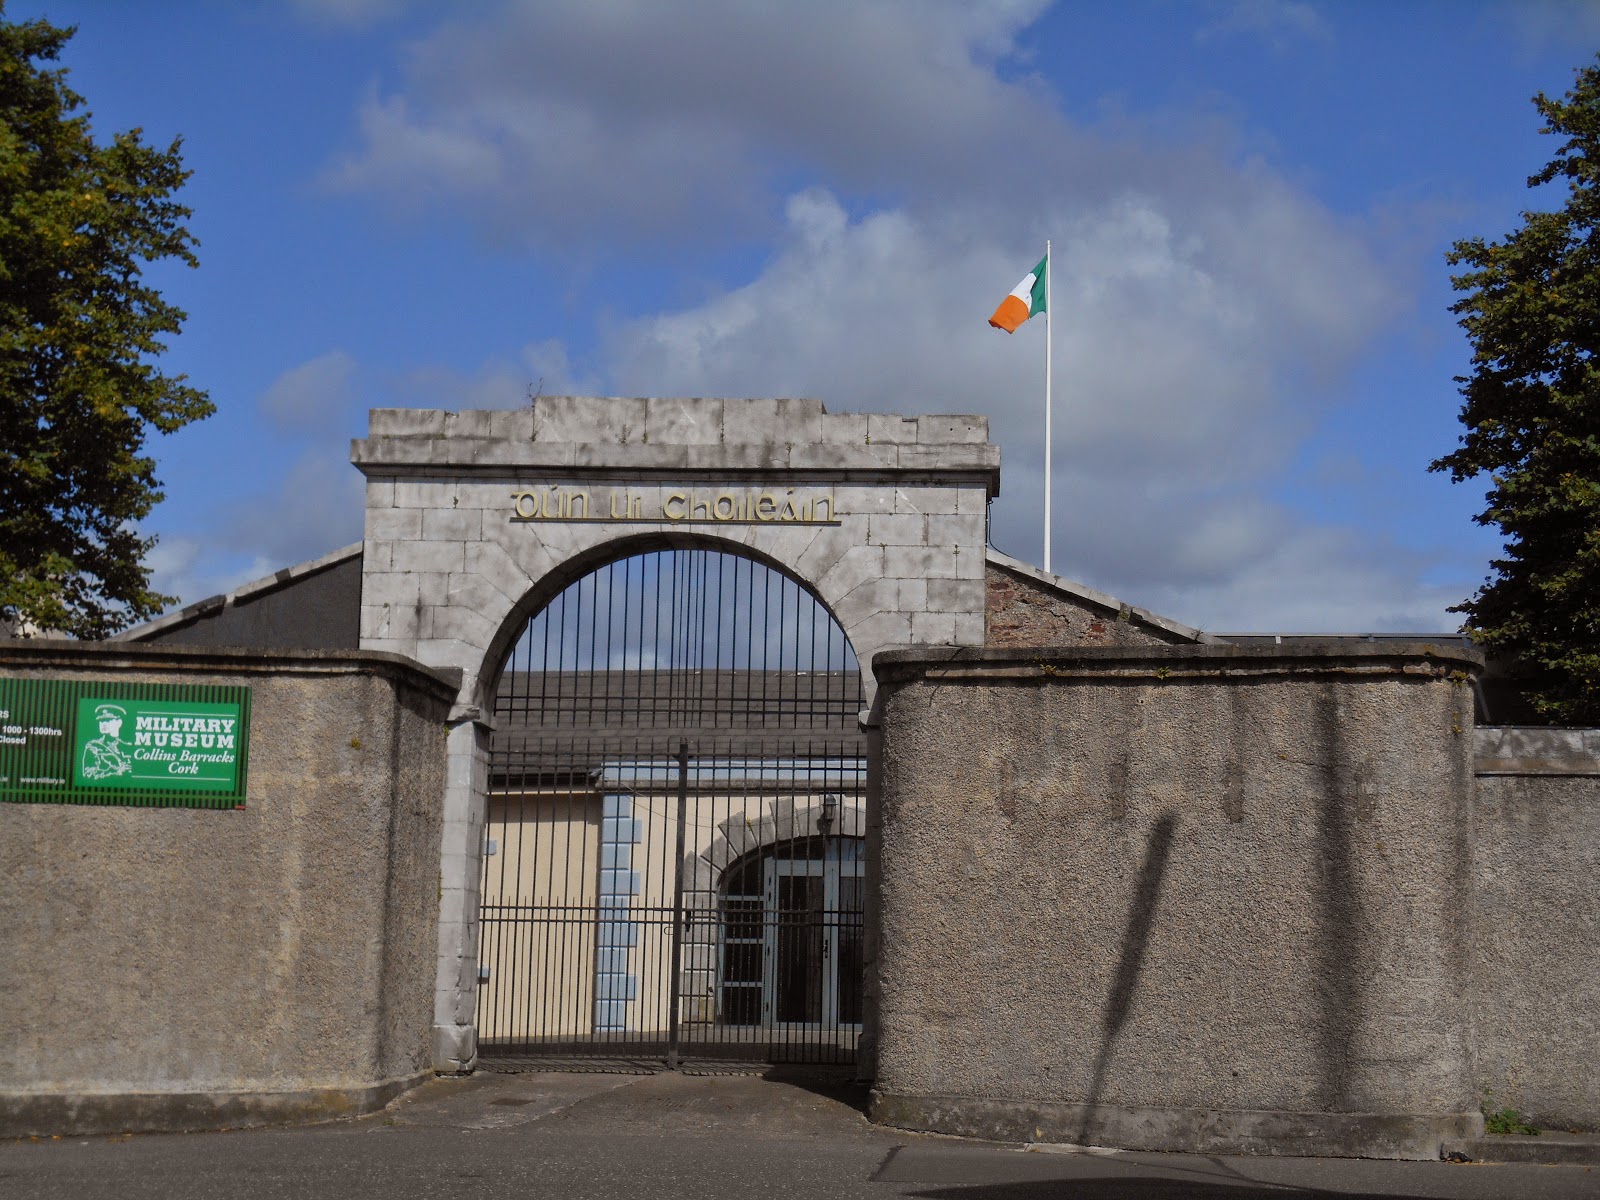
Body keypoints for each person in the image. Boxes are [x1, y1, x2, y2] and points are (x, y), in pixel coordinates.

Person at [80, 702, 133, 780]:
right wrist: (117, 771)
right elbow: (89, 775)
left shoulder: (128, 747)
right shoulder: (93, 746)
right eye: (101, 721)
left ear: (119, 723)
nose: (103, 724)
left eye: (108, 720)